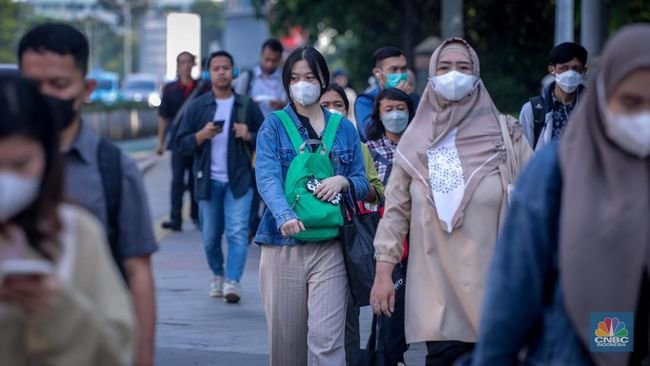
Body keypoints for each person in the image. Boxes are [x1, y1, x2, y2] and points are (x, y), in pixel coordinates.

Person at [468, 24, 650, 366]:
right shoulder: (556, 171)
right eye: (631, 101)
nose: (644, 116)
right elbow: (516, 287)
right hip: (583, 343)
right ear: (605, 97)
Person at [369, 38, 533, 366]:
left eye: (463, 67)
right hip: (437, 294)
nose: (453, 75)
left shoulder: (508, 137)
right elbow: (395, 212)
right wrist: (383, 273)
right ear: (431, 75)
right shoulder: (416, 141)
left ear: (477, 75)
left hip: (496, 294)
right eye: (444, 68)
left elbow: (537, 206)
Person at [18, 23, 158, 366]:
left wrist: (142, 358)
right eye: (34, 86)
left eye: (59, 84)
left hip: (89, 347)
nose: (46, 95)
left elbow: (137, 269)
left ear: (87, 88)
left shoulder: (114, 168)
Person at [0, 74, 134, 366]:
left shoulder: (76, 234)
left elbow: (116, 353)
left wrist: (62, 309)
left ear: (48, 157)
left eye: (20, 164)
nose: (5, 181)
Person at [254, 46, 369, 365]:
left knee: (327, 342)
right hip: (283, 245)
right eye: (294, 77)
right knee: (286, 347)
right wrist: (283, 214)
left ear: (323, 80)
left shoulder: (344, 128)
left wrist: (344, 182)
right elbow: (266, 177)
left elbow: (363, 181)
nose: (301, 84)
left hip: (332, 245)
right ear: (286, 82)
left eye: (309, 77)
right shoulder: (274, 126)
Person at [176, 51, 264, 303]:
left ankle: (232, 281)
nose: (222, 72)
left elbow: (268, 138)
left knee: (237, 232)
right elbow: (180, 144)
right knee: (210, 236)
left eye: (226, 67)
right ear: (208, 73)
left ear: (234, 71)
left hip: (240, 180)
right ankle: (217, 273)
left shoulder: (246, 105)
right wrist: (200, 136)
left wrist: (249, 134)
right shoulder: (197, 107)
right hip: (207, 181)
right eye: (216, 68)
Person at [320, 83, 383, 365]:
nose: (333, 111)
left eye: (339, 105)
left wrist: (348, 184)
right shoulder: (302, 148)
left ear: (347, 111)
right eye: (326, 105)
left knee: (347, 314)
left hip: (348, 239)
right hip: (310, 238)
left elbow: (376, 191)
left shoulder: (358, 147)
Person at [157, 51, 209, 231]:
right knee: (177, 180)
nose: (185, 65)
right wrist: (160, 143)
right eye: (182, 62)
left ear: (193, 65)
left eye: (188, 62)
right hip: (177, 142)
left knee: (196, 179)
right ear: (177, 65)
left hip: (197, 141)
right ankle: (175, 219)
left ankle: (196, 216)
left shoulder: (203, 88)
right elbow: (163, 117)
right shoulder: (170, 89)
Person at [519, 42, 588, 151]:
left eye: (576, 68)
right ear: (552, 69)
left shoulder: (595, 108)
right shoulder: (532, 110)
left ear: (584, 71)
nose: (570, 74)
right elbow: (523, 156)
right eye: (563, 68)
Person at [355, 46, 409, 141]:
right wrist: (394, 98)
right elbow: (370, 133)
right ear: (378, 73)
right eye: (394, 69)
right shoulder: (365, 101)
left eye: (403, 69)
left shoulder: (412, 97)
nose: (400, 74)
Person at [366, 88, 415, 185]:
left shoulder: (422, 145)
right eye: (389, 110)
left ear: (409, 112)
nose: (395, 115)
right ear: (379, 115)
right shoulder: (369, 149)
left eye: (401, 109)